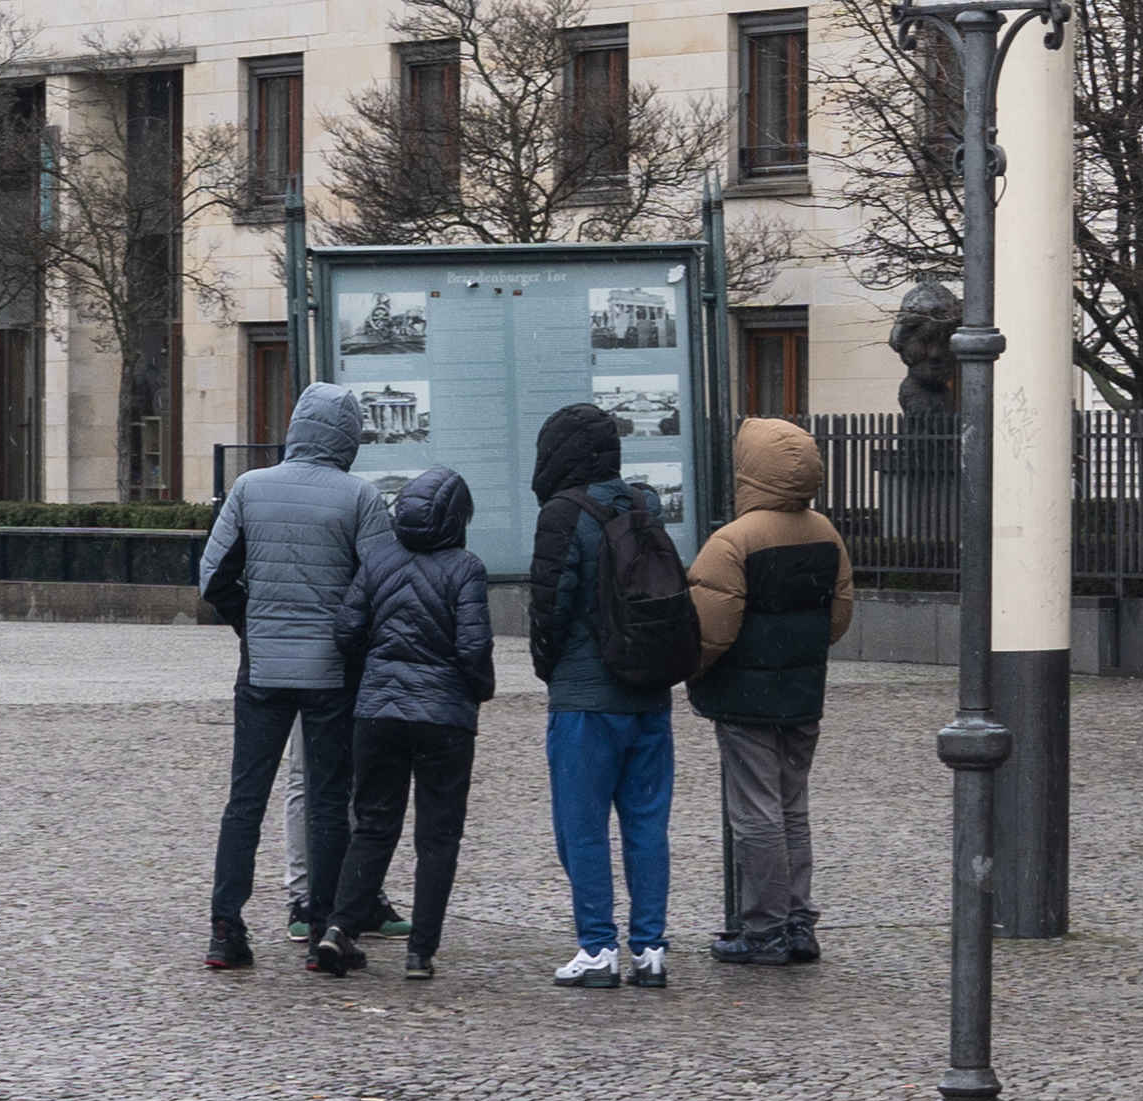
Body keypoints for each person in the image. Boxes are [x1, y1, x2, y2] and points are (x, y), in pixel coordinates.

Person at [196, 380, 376, 972]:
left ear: (296, 426)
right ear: (348, 437)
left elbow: (213, 577)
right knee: (328, 800)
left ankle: (226, 927)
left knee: (245, 799)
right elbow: (378, 583)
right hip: (331, 673)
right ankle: (324, 927)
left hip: (264, 669)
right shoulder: (360, 497)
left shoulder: (250, 487)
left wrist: (252, 625)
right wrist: (346, 638)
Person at [687, 414, 855, 966]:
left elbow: (710, 632)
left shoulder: (732, 541)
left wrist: (695, 671)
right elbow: (838, 617)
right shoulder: (826, 532)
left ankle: (765, 929)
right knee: (792, 808)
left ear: (749, 471)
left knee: (756, 812)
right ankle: (800, 921)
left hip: (745, 697)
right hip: (803, 691)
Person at [312, 464, 490, 978]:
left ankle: (339, 929)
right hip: (444, 717)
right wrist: (479, 689)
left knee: (372, 824)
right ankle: (419, 952)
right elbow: (473, 647)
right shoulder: (465, 568)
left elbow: (346, 631)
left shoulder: (378, 561)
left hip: (377, 713)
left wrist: (376, 669)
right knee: (438, 836)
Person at [526, 401, 678, 988]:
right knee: (647, 825)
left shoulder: (563, 513)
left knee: (582, 827)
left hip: (585, 701)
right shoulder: (644, 506)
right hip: (648, 693)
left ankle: (597, 949)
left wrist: (553, 672)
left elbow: (549, 608)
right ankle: (650, 948)